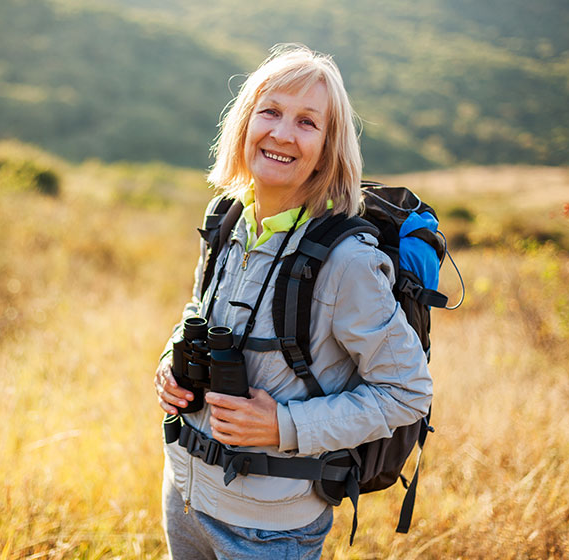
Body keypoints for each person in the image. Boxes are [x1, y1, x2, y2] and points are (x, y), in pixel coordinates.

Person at [153, 44, 433, 559]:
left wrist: (285, 425)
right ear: (244, 123)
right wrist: (171, 364)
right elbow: (198, 313)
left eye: (307, 122)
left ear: (329, 147)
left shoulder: (346, 262)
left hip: (269, 529)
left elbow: (407, 392)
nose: (282, 134)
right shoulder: (227, 218)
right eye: (271, 111)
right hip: (186, 497)